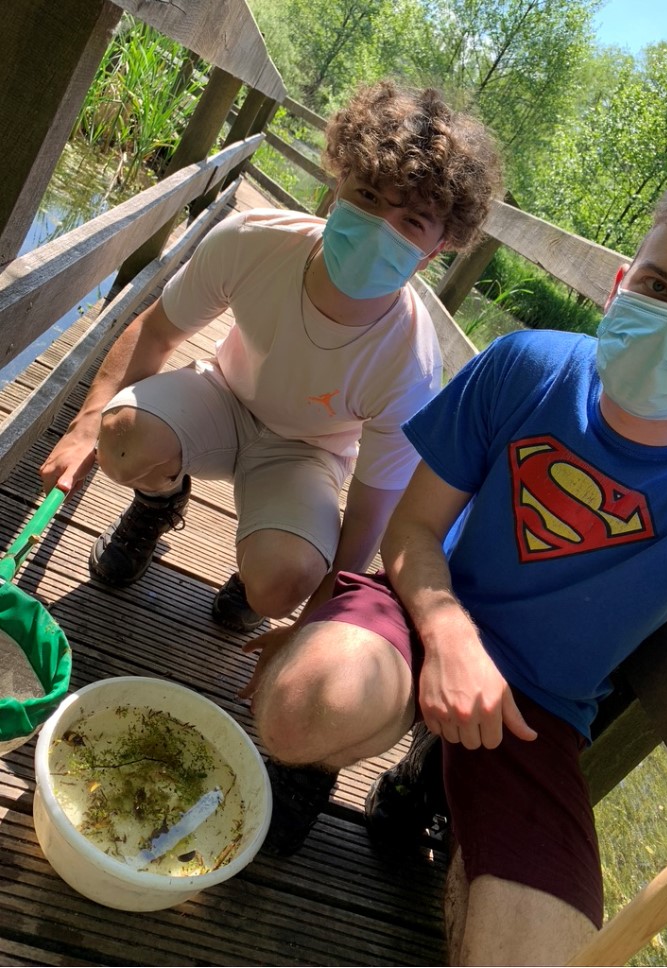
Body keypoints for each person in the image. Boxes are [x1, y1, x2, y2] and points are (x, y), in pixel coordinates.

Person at [244, 168, 667, 964]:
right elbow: (412, 529)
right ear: (620, 282)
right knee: (303, 708)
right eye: (658, 285)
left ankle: (425, 782)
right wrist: (449, 636)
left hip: (538, 712)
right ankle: (311, 765)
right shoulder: (527, 365)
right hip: (418, 610)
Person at [40, 81, 502, 641]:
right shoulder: (253, 240)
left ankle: (255, 573)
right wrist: (85, 426)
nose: (380, 227)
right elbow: (157, 331)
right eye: (368, 195)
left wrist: (314, 622)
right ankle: (159, 502)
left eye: (412, 221)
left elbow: (368, 513)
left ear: (435, 250)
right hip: (221, 393)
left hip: (308, 452)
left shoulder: (412, 364)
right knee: (120, 436)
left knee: (284, 580)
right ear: (337, 185)